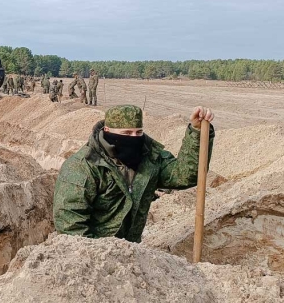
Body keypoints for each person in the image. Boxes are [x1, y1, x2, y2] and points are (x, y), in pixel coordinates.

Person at [53, 104, 214, 243]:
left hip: (130, 253)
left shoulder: (149, 159)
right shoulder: (83, 166)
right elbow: (70, 226)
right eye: (127, 133)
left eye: (138, 133)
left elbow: (186, 175)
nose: (134, 139)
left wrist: (197, 132)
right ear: (107, 131)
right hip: (93, 256)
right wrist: (102, 255)